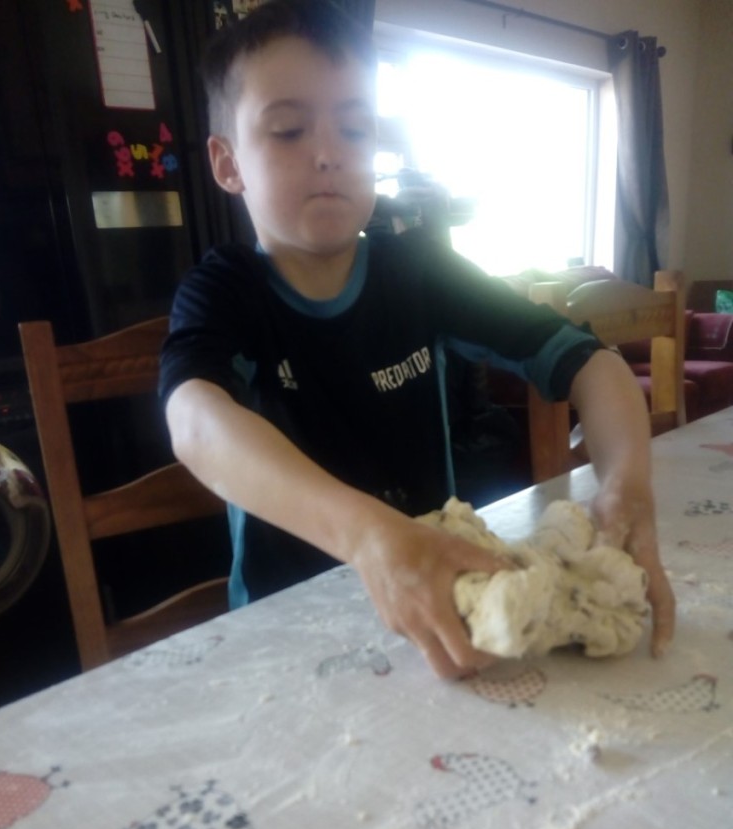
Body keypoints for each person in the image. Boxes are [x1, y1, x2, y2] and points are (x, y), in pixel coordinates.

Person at [160, 0, 675, 678]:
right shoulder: (226, 291)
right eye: (287, 130)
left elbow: (593, 365)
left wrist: (628, 485)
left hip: (441, 605)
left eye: (354, 128)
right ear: (228, 164)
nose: (327, 154)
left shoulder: (419, 270)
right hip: (288, 638)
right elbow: (195, 423)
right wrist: (371, 537)